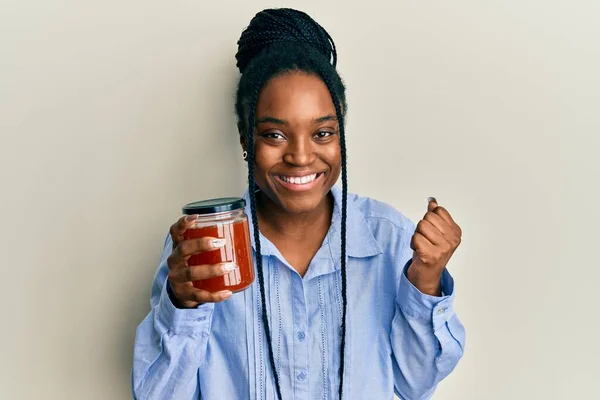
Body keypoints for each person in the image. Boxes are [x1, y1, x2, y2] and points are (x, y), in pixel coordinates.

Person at [132, 8, 465, 400]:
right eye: (274, 134)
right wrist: (183, 306)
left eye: (322, 132)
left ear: (341, 133)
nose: (301, 157)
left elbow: (414, 384)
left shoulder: (390, 239)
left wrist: (425, 280)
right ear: (244, 139)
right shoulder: (201, 248)